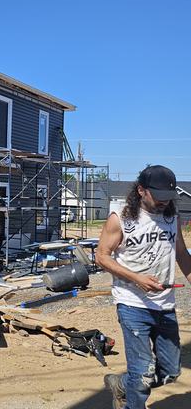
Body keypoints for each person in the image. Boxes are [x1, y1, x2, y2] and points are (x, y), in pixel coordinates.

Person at [97, 165, 191, 409]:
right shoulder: (121, 218)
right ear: (141, 190)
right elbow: (102, 257)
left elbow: (181, 253)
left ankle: (122, 384)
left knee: (170, 372)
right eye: (158, 197)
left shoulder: (172, 217)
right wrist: (137, 278)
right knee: (143, 372)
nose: (163, 203)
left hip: (165, 305)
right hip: (132, 303)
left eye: (168, 198)